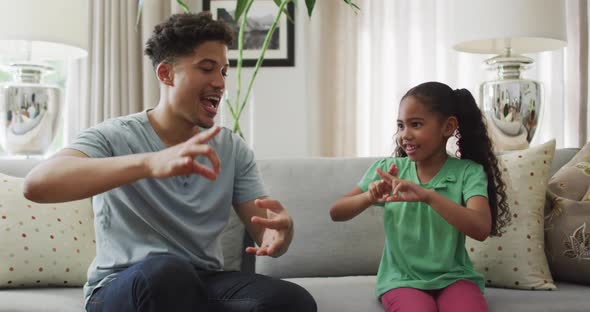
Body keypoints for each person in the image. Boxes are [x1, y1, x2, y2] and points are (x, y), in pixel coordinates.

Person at [23, 12, 316, 312]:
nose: (219, 82)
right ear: (166, 74)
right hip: (124, 285)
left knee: (292, 301)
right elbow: (37, 185)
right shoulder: (113, 135)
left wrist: (281, 233)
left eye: (224, 71)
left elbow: (263, 228)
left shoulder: (231, 147)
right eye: (206, 68)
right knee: (166, 274)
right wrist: (150, 163)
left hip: (203, 281)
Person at [330, 81, 510, 312]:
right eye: (400, 126)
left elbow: (481, 227)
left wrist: (428, 196)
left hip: (455, 278)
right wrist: (369, 197)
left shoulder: (468, 172)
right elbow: (336, 211)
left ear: (448, 127)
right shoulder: (388, 168)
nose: (405, 135)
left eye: (415, 124)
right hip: (402, 280)